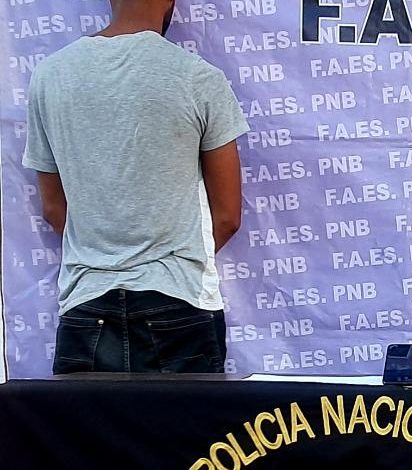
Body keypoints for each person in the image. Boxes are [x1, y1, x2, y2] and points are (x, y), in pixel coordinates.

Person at [23, 0, 250, 374]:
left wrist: (107, 255)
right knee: (189, 417)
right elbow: (227, 217)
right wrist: (163, 259)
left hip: (86, 303)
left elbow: (52, 207)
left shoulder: (50, 76)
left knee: (82, 418)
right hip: (180, 301)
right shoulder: (198, 77)